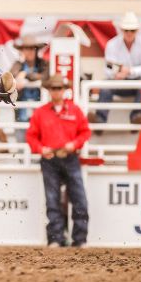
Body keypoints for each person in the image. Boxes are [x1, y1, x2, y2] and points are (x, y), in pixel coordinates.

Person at [26, 74, 91, 248]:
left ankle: (80, 238)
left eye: (59, 88)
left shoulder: (74, 110)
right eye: (53, 88)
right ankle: (55, 238)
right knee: (52, 199)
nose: (56, 92)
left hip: (70, 158)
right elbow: (31, 137)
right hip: (50, 159)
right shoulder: (41, 113)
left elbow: (85, 132)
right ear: (49, 91)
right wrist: (41, 149)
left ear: (64, 90)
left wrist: (74, 144)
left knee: (79, 198)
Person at [87, 12, 141, 126]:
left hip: (138, 84)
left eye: (132, 30)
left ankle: (138, 115)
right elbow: (108, 70)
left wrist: (129, 71)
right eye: (126, 30)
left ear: (137, 30)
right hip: (119, 82)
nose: (129, 33)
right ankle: (100, 118)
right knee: (106, 85)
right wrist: (117, 75)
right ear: (122, 30)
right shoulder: (112, 44)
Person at [10, 35, 50, 132]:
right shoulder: (18, 64)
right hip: (21, 111)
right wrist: (21, 64)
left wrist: (25, 74)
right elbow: (11, 76)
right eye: (27, 49)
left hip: (39, 109)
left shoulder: (43, 64)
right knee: (21, 140)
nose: (30, 51)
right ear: (22, 51)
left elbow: (44, 76)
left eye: (32, 48)